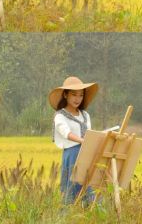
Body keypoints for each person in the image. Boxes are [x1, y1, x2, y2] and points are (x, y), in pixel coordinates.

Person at [49, 76, 98, 205]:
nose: (78, 99)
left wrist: (91, 142)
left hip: (87, 154)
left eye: (81, 95)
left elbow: (90, 133)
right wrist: (82, 141)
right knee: (72, 190)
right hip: (72, 154)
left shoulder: (85, 115)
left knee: (89, 188)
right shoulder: (60, 116)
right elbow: (66, 133)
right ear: (65, 95)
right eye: (74, 95)